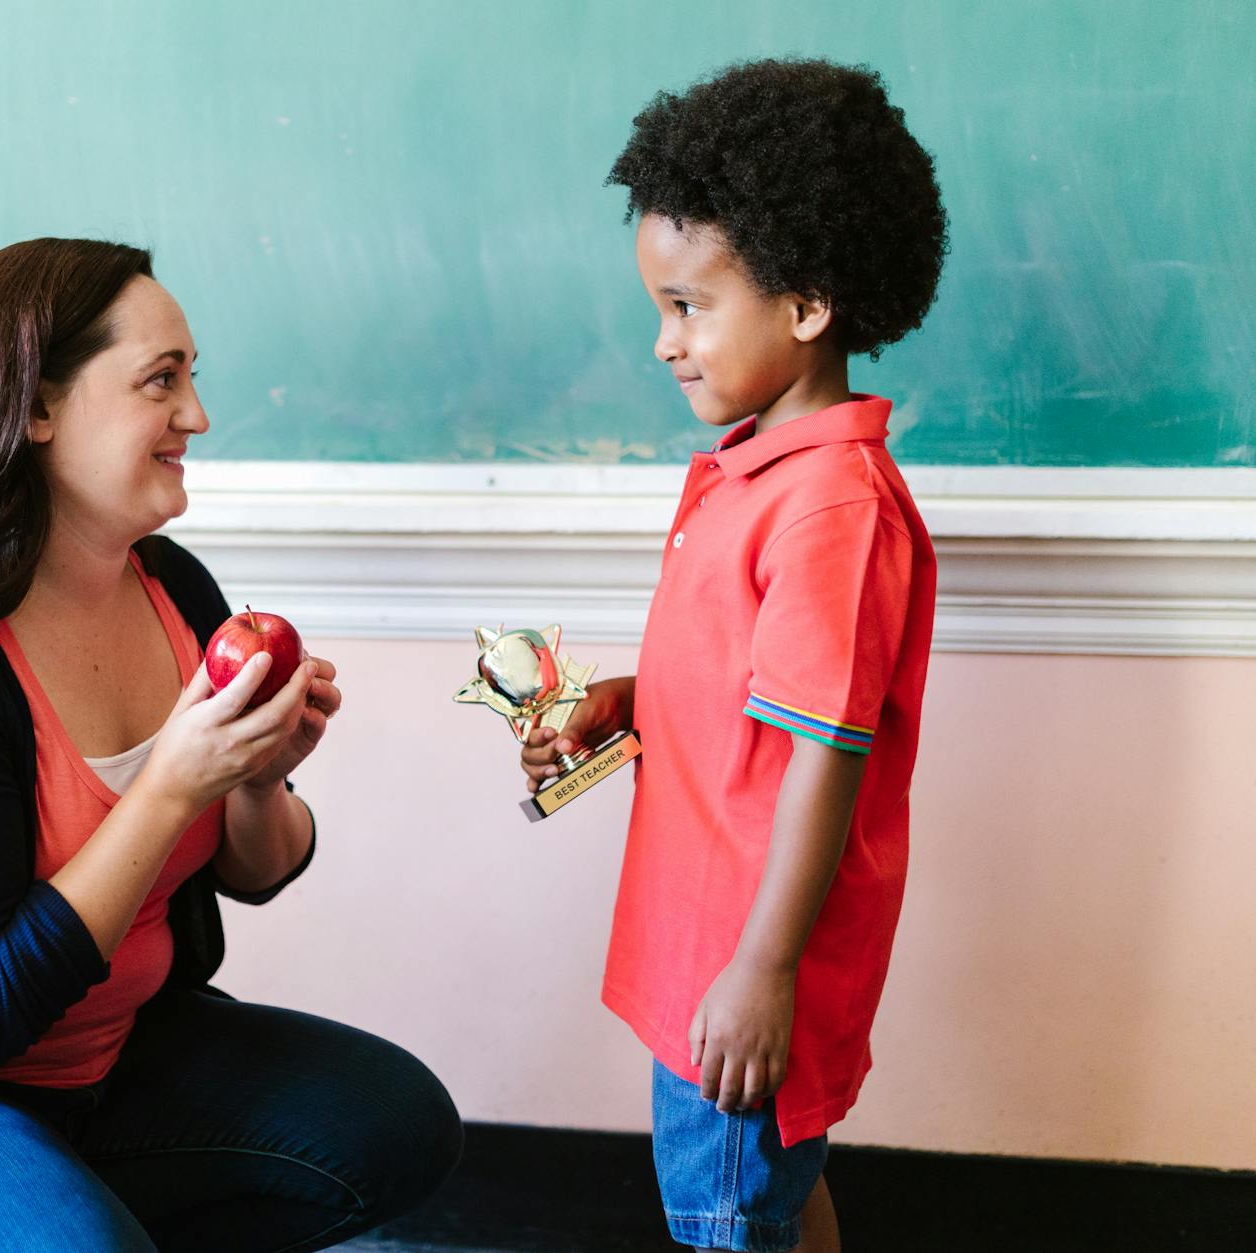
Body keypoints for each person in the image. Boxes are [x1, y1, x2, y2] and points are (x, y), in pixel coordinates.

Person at [0, 238, 461, 1253]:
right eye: (160, 380)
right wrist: (166, 788)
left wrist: (254, 775)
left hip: (105, 1066)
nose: (197, 415)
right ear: (34, 408)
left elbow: (257, 870)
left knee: (392, 1121)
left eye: (193, 376)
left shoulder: (174, 588)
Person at [520, 60, 947, 1252]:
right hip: (704, 945)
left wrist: (762, 967)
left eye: (687, 306)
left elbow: (825, 751)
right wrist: (623, 701)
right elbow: (744, 688)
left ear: (805, 303)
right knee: (769, 1202)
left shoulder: (827, 507)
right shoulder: (761, 471)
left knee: (724, 1214)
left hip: (738, 970)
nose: (663, 343)